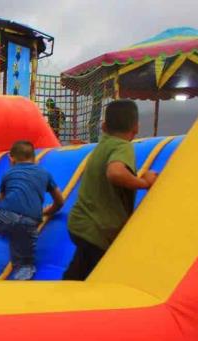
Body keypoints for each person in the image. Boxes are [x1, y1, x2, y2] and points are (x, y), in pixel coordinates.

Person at [63, 100, 157, 281]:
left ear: (104, 126)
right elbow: (115, 172)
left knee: (81, 272)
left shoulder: (103, 144)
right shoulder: (122, 146)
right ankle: (58, 304)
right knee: (85, 280)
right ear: (136, 127)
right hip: (96, 230)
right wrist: (143, 183)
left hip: (81, 224)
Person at [0, 141, 64, 280]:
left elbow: (0, 202)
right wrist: (47, 211)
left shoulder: (9, 173)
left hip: (6, 215)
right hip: (30, 221)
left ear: (11, 158)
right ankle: (22, 280)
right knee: (23, 264)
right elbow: (60, 201)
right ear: (34, 158)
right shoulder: (44, 173)